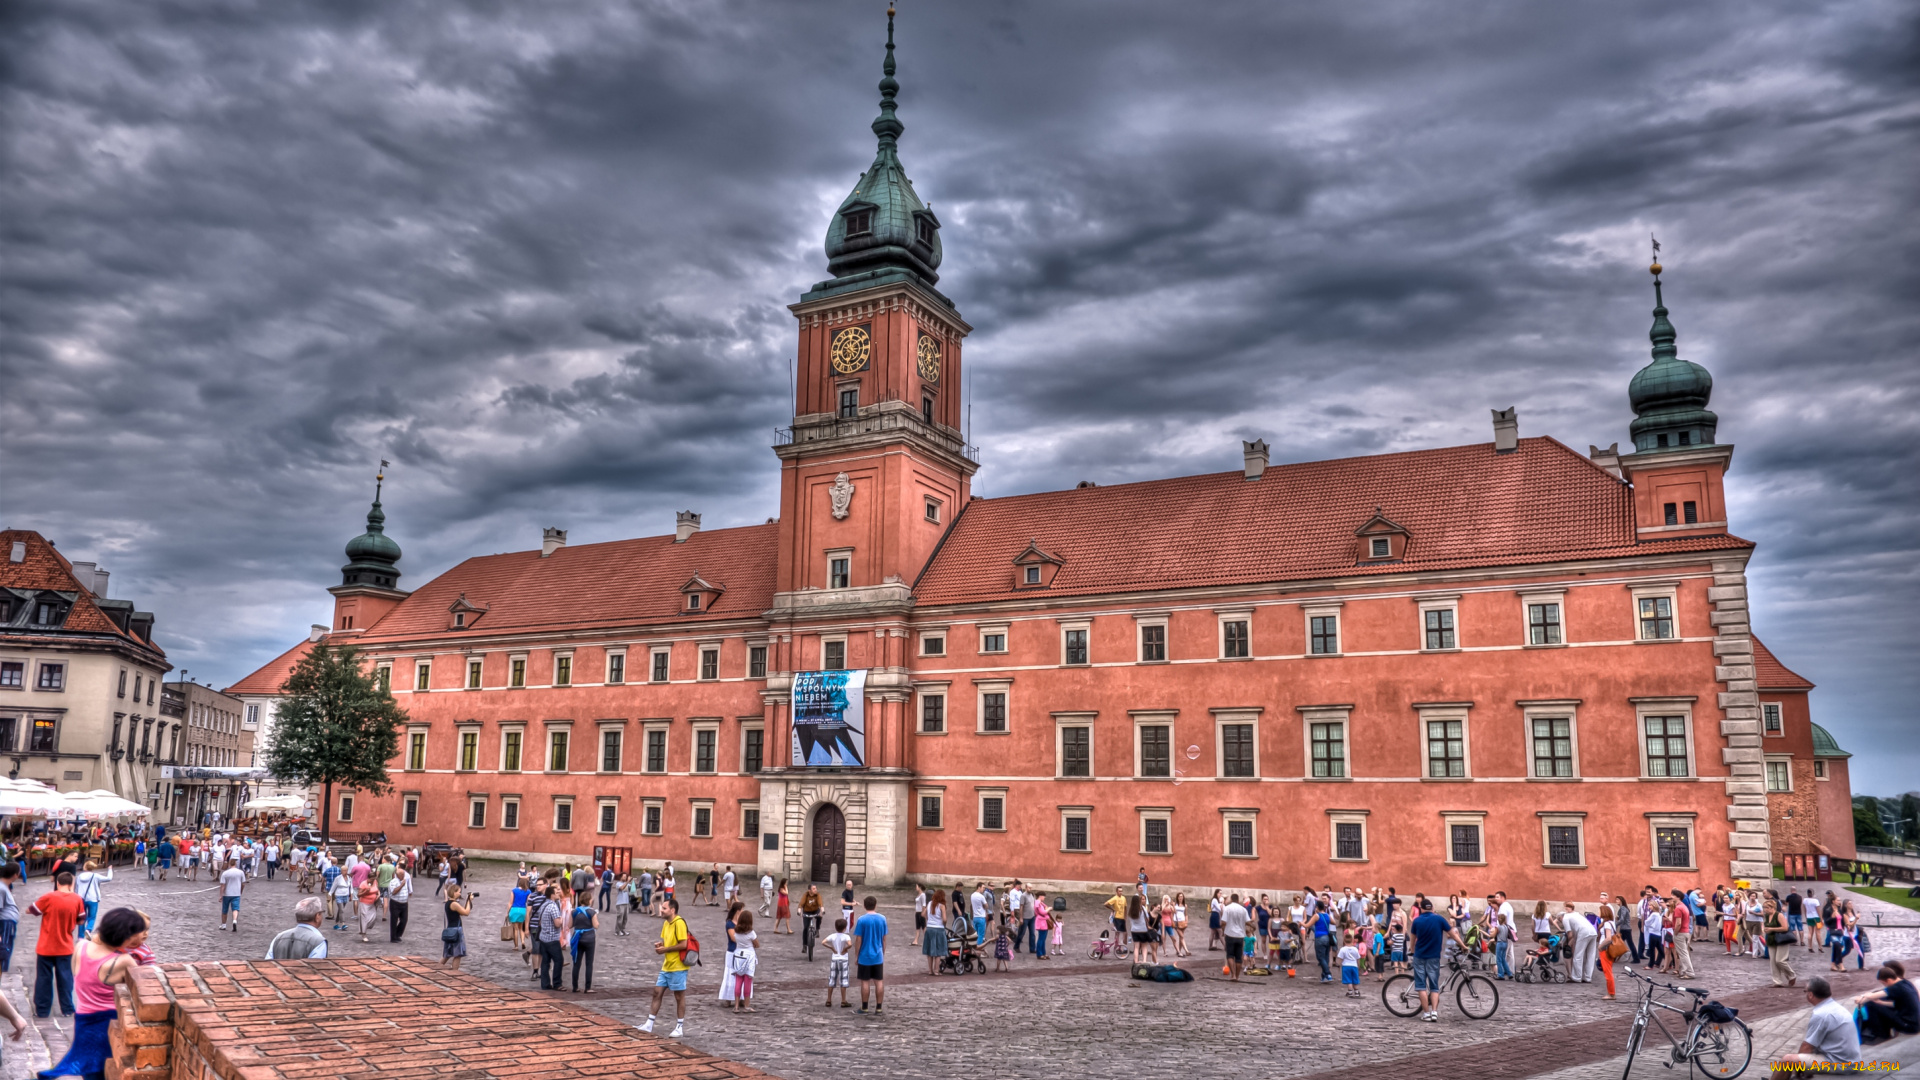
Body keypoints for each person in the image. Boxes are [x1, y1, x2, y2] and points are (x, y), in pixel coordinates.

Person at [39, 907, 147, 1080]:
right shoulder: (123, 961)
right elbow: (144, 988)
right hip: (107, 1021)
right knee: (105, 1069)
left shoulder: (81, 946)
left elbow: (76, 972)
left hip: (83, 1019)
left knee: (91, 1069)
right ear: (125, 937)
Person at [28, 871, 85, 1017]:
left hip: (45, 946)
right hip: (65, 946)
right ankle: (67, 1009)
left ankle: (42, 1011)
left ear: (57, 883)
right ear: (71, 884)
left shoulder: (49, 897)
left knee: (43, 979)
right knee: (65, 979)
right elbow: (81, 920)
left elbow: (32, 910)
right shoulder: (77, 899)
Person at [1773, 976, 1861, 1066]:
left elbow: (1807, 1047)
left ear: (1811, 995)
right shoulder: (1835, 1007)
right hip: (1851, 1059)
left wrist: (1797, 1068)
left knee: (1787, 1060)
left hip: (1841, 1063)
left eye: (1805, 991)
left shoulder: (1821, 1014)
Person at [640, 896, 690, 1038]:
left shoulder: (679, 923)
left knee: (679, 996)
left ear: (672, 910)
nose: (660, 910)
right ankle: (649, 1024)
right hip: (667, 965)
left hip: (678, 966)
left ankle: (679, 1026)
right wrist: (661, 946)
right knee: (657, 992)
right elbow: (667, 942)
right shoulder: (666, 924)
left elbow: (683, 944)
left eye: (664, 908)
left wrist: (666, 949)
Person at [1410, 898, 1466, 1023]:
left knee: (1421, 986)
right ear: (1432, 908)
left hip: (1419, 956)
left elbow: (1412, 939)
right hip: (1434, 956)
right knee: (1434, 986)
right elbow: (1453, 933)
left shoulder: (1416, 921)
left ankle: (1426, 1013)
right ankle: (1434, 1012)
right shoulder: (1439, 919)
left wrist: (1412, 950)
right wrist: (1463, 945)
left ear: (1421, 908)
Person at [1855, 962, 1919, 1044]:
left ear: (1888, 980)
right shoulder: (1906, 982)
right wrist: (1881, 1002)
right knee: (1878, 1004)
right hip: (1915, 1024)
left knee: (1870, 1003)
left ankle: (1881, 1034)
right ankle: (1883, 1032)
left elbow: (1871, 996)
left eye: (1883, 983)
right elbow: (1898, 1004)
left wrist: (1861, 998)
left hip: (1908, 1027)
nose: (1884, 986)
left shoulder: (1895, 988)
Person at [852, 895, 887, 1014]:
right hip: (878, 955)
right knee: (879, 981)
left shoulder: (862, 920)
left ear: (865, 905)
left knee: (865, 981)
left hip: (865, 956)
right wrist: (883, 953)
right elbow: (884, 939)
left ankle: (865, 1007)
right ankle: (879, 1007)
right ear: (875, 905)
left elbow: (858, 940)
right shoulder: (882, 919)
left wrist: (857, 955)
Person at [725, 909, 757, 1010]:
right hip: (749, 956)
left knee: (738, 980)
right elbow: (757, 944)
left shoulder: (736, 932)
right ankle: (747, 1005)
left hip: (738, 955)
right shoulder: (751, 933)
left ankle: (736, 1005)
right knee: (747, 981)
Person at [534, 886, 565, 987]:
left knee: (545, 962)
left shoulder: (543, 905)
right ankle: (557, 983)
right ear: (552, 895)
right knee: (559, 960)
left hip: (543, 937)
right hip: (552, 938)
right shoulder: (553, 906)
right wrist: (561, 920)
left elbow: (539, 921)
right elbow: (557, 923)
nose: (558, 894)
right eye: (556, 892)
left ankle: (545, 984)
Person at [1560, 903, 1597, 983]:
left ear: (1560, 918)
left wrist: (1568, 945)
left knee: (1578, 955)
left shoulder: (1565, 918)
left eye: (1560, 920)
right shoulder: (1577, 914)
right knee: (1590, 955)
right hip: (1593, 931)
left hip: (1583, 933)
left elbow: (1570, 934)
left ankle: (1577, 977)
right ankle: (1588, 977)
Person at [1763, 898, 1796, 988]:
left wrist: (1772, 929)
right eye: (1764, 908)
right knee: (1773, 962)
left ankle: (1791, 975)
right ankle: (1777, 981)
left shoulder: (1779, 915)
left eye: (1766, 908)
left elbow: (1785, 928)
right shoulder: (1766, 916)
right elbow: (1766, 926)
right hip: (1771, 939)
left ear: (1772, 907)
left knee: (1780, 960)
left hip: (1782, 939)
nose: (1765, 909)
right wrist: (1765, 929)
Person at [570, 893, 599, 992]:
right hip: (589, 938)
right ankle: (587, 987)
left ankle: (575, 986)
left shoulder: (574, 911)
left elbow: (570, 925)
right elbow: (596, 925)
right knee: (589, 963)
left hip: (578, 938)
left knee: (576, 963)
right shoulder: (592, 912)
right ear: (589, 900)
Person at [441, 883, 472, 971]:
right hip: (456, 930)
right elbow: (466, 913)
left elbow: (461, 911)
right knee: (458, 954)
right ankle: (454, 973)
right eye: (459, 892)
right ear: (454, 893)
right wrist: (469, 901)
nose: (460, 894)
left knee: (447, 954)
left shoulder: (448, 903)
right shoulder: (454, 904)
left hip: (450, 929)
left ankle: (436, 969)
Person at [824, 917, 853, 1007]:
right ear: (845, 928)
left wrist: (832, 948)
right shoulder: (846, 936)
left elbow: (823, 942)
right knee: (843, 979)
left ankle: (829, 999)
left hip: (835, 958)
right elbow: (850, 944)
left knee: (832, 978)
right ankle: (843, 1000)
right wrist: (845, 948)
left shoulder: (832, 936)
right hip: (843, 959)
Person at [1220, 893, 1250, 981]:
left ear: (1231, 899)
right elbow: (1248, 921)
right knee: (1238, 956)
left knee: (1230, 955)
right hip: (1240, 935)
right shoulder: (1243, 909)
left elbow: (1223, 922)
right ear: (1238, 900)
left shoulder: (1227, 908)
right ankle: (1237, 976)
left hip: (1230, 934)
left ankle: (1232, 975)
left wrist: (1223, 930)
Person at [0, 863, 19, 975]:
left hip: (8, 921)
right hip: (5, 922)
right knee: (3, 948)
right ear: (15, 875)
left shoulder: (4, 887)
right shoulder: (1, 888)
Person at [388, 862, 412, 943]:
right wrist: (401, 885)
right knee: (394, 920)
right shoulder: (393, 882)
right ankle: (393, 937)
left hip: (404, 903)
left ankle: (398, 934)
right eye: (402, 875)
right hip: (395, 903)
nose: (404, 876)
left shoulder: (404, 880)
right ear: (398, 875)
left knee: (404, 920)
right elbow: (394, 892)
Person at [1033, 892, 1052, 960]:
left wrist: (1047, 908)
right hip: (1041, 922)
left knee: (1043, 939)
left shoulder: (1040, 902)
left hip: (1043, 921)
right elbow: (1043, 912)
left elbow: (1045, 908)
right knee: (1041, 939)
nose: (1044, 898)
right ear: (1040, 896)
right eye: (1044, 896)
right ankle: (1039, 954)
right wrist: (1048, 909)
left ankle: (1043, 953)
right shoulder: (1037, 903)